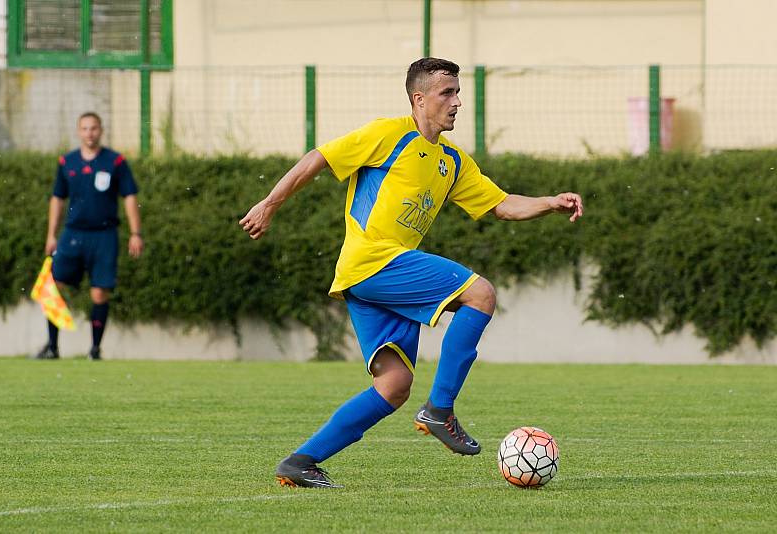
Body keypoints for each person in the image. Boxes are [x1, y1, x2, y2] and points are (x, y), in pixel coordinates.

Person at [240, 57, 583, 488]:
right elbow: (319, 158)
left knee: (394, 386)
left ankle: (300, 462)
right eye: (447, 93)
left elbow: (501, 204)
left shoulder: (452, 161)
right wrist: (269, 204)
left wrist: (550, 202)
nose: (457, 102)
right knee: (481, 294)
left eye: (458, 92)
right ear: (419, 99)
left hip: (368, 279)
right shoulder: (388, 134)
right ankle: (440, 409)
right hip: (374, 260)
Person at [33, 112, 143, 361]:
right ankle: (52, 346)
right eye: (85, 128)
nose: (89, 133)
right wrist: (51, 235)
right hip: (73, 234)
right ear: (78, 131)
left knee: (99, 293)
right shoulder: (67, 162)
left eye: (94, 128)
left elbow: (130, 197)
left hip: (104, 235)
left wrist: (136, 233)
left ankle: (94, 350)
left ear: (101, 131)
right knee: (52, 287)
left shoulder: (115, 162)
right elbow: (57, 199)